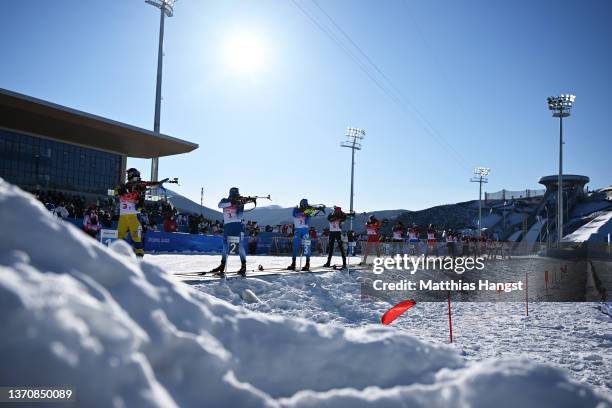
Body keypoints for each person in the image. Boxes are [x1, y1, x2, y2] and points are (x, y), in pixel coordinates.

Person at [114, 168, 165, 257]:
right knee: (120, 236)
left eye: (130, 174)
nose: (129, 176)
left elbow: (148, 184)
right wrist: (120, 191)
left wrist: (157, 183)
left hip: (133, 215)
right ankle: (119, 255)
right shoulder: (123, 186)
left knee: (135, 237)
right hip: (123, 216)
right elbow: (116, 194)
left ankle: (139, 255)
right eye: (129, 174)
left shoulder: (140, 185)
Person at [208, 187, 255, 276]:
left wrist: (241, 204)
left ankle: (243, 265)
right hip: (228, 226)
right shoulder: (224, 200)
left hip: (237, 225)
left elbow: (240, 216)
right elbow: (219, 205)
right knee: (225, 246)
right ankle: (222, 265)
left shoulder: (239, 201)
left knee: (240, 246)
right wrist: (232, 202)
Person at [286, 199, 320, 271]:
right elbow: (296, 214)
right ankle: (293, 263)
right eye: (303, 204)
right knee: (295, 246)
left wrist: (310, 213)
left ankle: (307, 264)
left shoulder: (308, 211)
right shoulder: (296, 209)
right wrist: (307, 212)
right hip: (298, 230)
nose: (304, 206)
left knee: (307, 247)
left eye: (305, 205)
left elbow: (307, 222)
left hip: (305, 230)